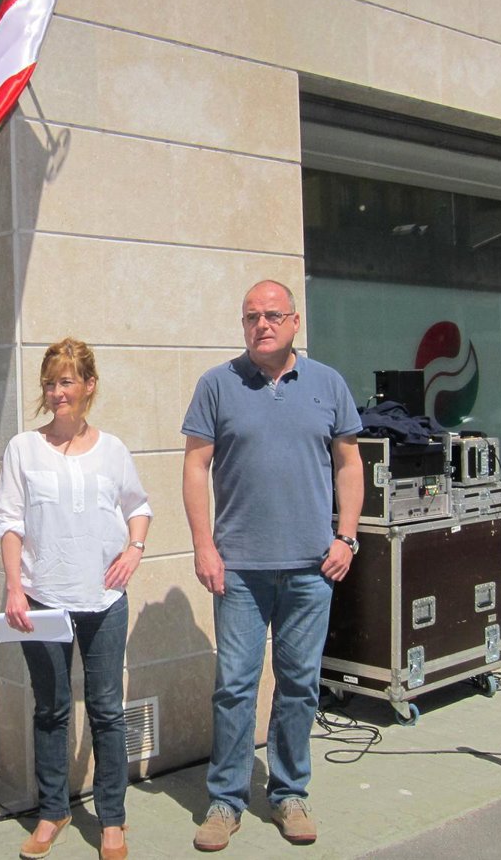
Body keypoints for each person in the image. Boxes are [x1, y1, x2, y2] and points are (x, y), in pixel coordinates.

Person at [181, 280, 363, 851]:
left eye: (273, 315)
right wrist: (204, 546)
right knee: (235, 686)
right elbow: (195, 468)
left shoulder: (328, 384)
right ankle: (226, 800)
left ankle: (288, 793)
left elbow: (349, 464)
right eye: (251, 316)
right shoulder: (217, 385)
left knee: (299, 685)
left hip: (312, 568)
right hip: (238, 570)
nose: (262, 324)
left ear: (294, 322)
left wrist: (347, 537)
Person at [0, 338, 152, 860]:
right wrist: (14, 587)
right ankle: (53, 811)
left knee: (106, 710)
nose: (57, 392)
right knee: (52, 710)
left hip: (104, 599)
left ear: (88, 386)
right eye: (50, 383)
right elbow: (9, 522)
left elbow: (138, 507)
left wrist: (134, 551)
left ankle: (112, 819)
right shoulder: (23, 449)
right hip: (42, 599)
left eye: (66, 381)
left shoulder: (113, 450)